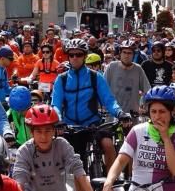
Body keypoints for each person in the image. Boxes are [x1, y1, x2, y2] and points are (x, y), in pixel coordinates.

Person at [51, 38, 128, 178]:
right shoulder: (61, 79)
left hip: (93, 124)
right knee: (76, 166)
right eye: (71, 55)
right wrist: (58, 120)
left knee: (108, 145)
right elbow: (56, 104)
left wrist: (120, 113)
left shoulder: (95, 77)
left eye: (79, 54)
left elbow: (108, 100)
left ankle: (111, 182)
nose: (75, 58)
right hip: (71, 127)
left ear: (85, 56)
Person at [11, 103, 97, 191]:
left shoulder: (62, 145)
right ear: (31, 133)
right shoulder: (24, 151)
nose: (43, 136)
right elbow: (19, 179)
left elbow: (79, 171)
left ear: (54, 131)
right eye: (38, 131)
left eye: (47, 131)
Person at [104, 41, 150, 118]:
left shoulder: (138, 69)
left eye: (129, 53)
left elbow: (147, 90)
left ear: (133, 55)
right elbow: (103, 88)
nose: (126, 55)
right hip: (113, 115)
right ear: (120, 54)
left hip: (132, 115)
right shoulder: (111, 66)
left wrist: (145, 106)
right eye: (124, 52)